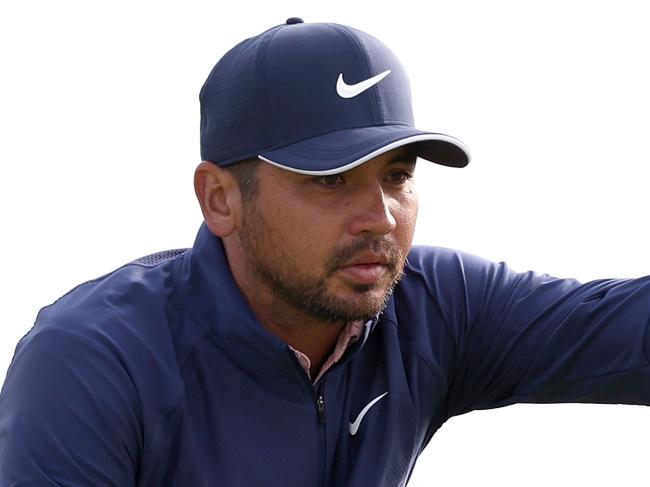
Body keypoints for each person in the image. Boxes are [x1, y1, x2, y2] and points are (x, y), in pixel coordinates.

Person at [1, 17, 649, 486]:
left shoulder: (430, 303)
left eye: (397, 175)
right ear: (219, 198)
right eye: (329, 179)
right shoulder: (92, 360)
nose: (381, 217)